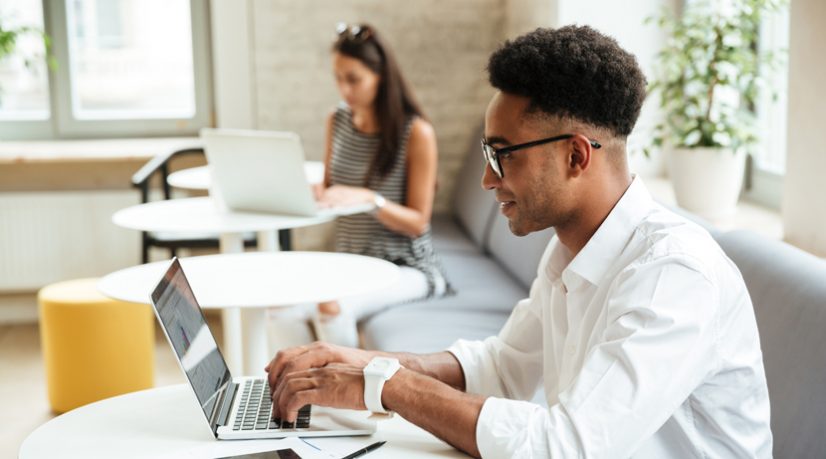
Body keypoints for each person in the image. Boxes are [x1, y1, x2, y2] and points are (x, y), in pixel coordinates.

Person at [265, 25, 772, 458]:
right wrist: (367, 365)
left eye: (502, 154)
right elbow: (504, 368)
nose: (488, 180)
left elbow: (565, 447)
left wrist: (388, 385)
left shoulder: (673, 277)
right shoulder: (571, 248)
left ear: (577, 156)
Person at [312, 23, 450, 346]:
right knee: (282, 308)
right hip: (350, 262)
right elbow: (331, 189)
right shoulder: (337, 120)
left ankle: (340, 397)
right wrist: (316, 194)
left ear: (381, 76)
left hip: (406, 267)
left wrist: (370, 199)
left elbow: (418, 223)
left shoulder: (416, 133)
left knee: (331, 308)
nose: (345, 89)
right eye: (338, 78)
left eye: (354, 79)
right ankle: (299, 394)